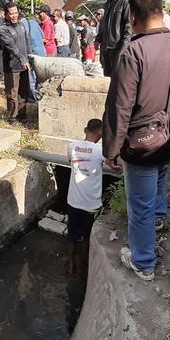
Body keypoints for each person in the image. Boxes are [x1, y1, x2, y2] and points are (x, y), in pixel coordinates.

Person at [102, 0, 170, 281]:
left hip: (143, 142)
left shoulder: (133, 51)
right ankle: (158, 217)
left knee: (139, 204)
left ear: (132, 18)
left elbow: (120, 106)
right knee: (160, 174)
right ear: (163, 12)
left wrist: (112, 148)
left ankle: (143, 261)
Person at [66, 118, 104, 278]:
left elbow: (70, 161)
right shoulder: (101, 150)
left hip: (73, 201)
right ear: (101, 134)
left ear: (85, 130)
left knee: (72, 235)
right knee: (85, 237)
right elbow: (115, 167)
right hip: (91, 204)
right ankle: (82, 267)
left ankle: (70, 264)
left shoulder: (72, 146)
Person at [0, 2, 32, 122]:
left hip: (24, 64)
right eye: (11, 14)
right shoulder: (3, 29)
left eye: (16, 13)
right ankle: (12, 116)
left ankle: (22, 114)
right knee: (12, 92)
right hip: (11, 65)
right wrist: (21, 58)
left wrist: (29, 58)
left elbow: (27, 42)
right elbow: (11, 46)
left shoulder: (22, 26)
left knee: (24, 91)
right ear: (6, 14)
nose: (14, 16)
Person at [96, 0, 132, 77]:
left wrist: (123, 50)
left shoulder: (126, 3)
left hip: (117, 49)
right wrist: (98, 38)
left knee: (118, 81)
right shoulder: (108, 4)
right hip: (106, 49)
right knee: (107, 80)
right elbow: (103, 24)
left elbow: (128, 28)